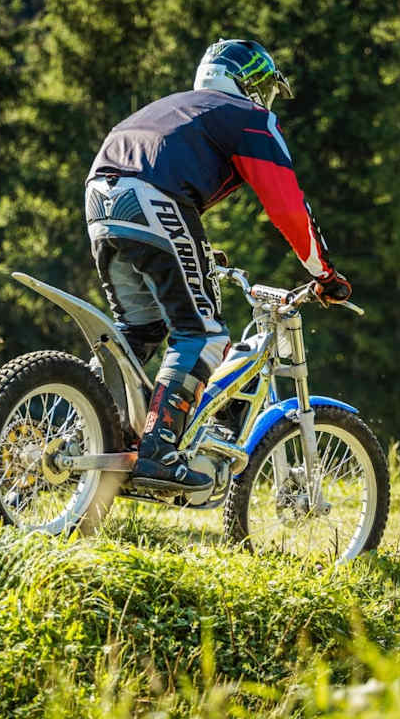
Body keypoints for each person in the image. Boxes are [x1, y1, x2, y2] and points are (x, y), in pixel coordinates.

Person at [85, 38, 352, 492]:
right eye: (264, 86)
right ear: (245, 82)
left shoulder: (175, 106)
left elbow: (162, 173)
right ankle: (160, 450)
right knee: (203, 333)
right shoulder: (247, 117)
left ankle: (86, 425)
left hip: (99, 198)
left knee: (139, 329)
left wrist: (194, 249)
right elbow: (287, 205)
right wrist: (322, 273)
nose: (266, 98)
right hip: (152, 199)